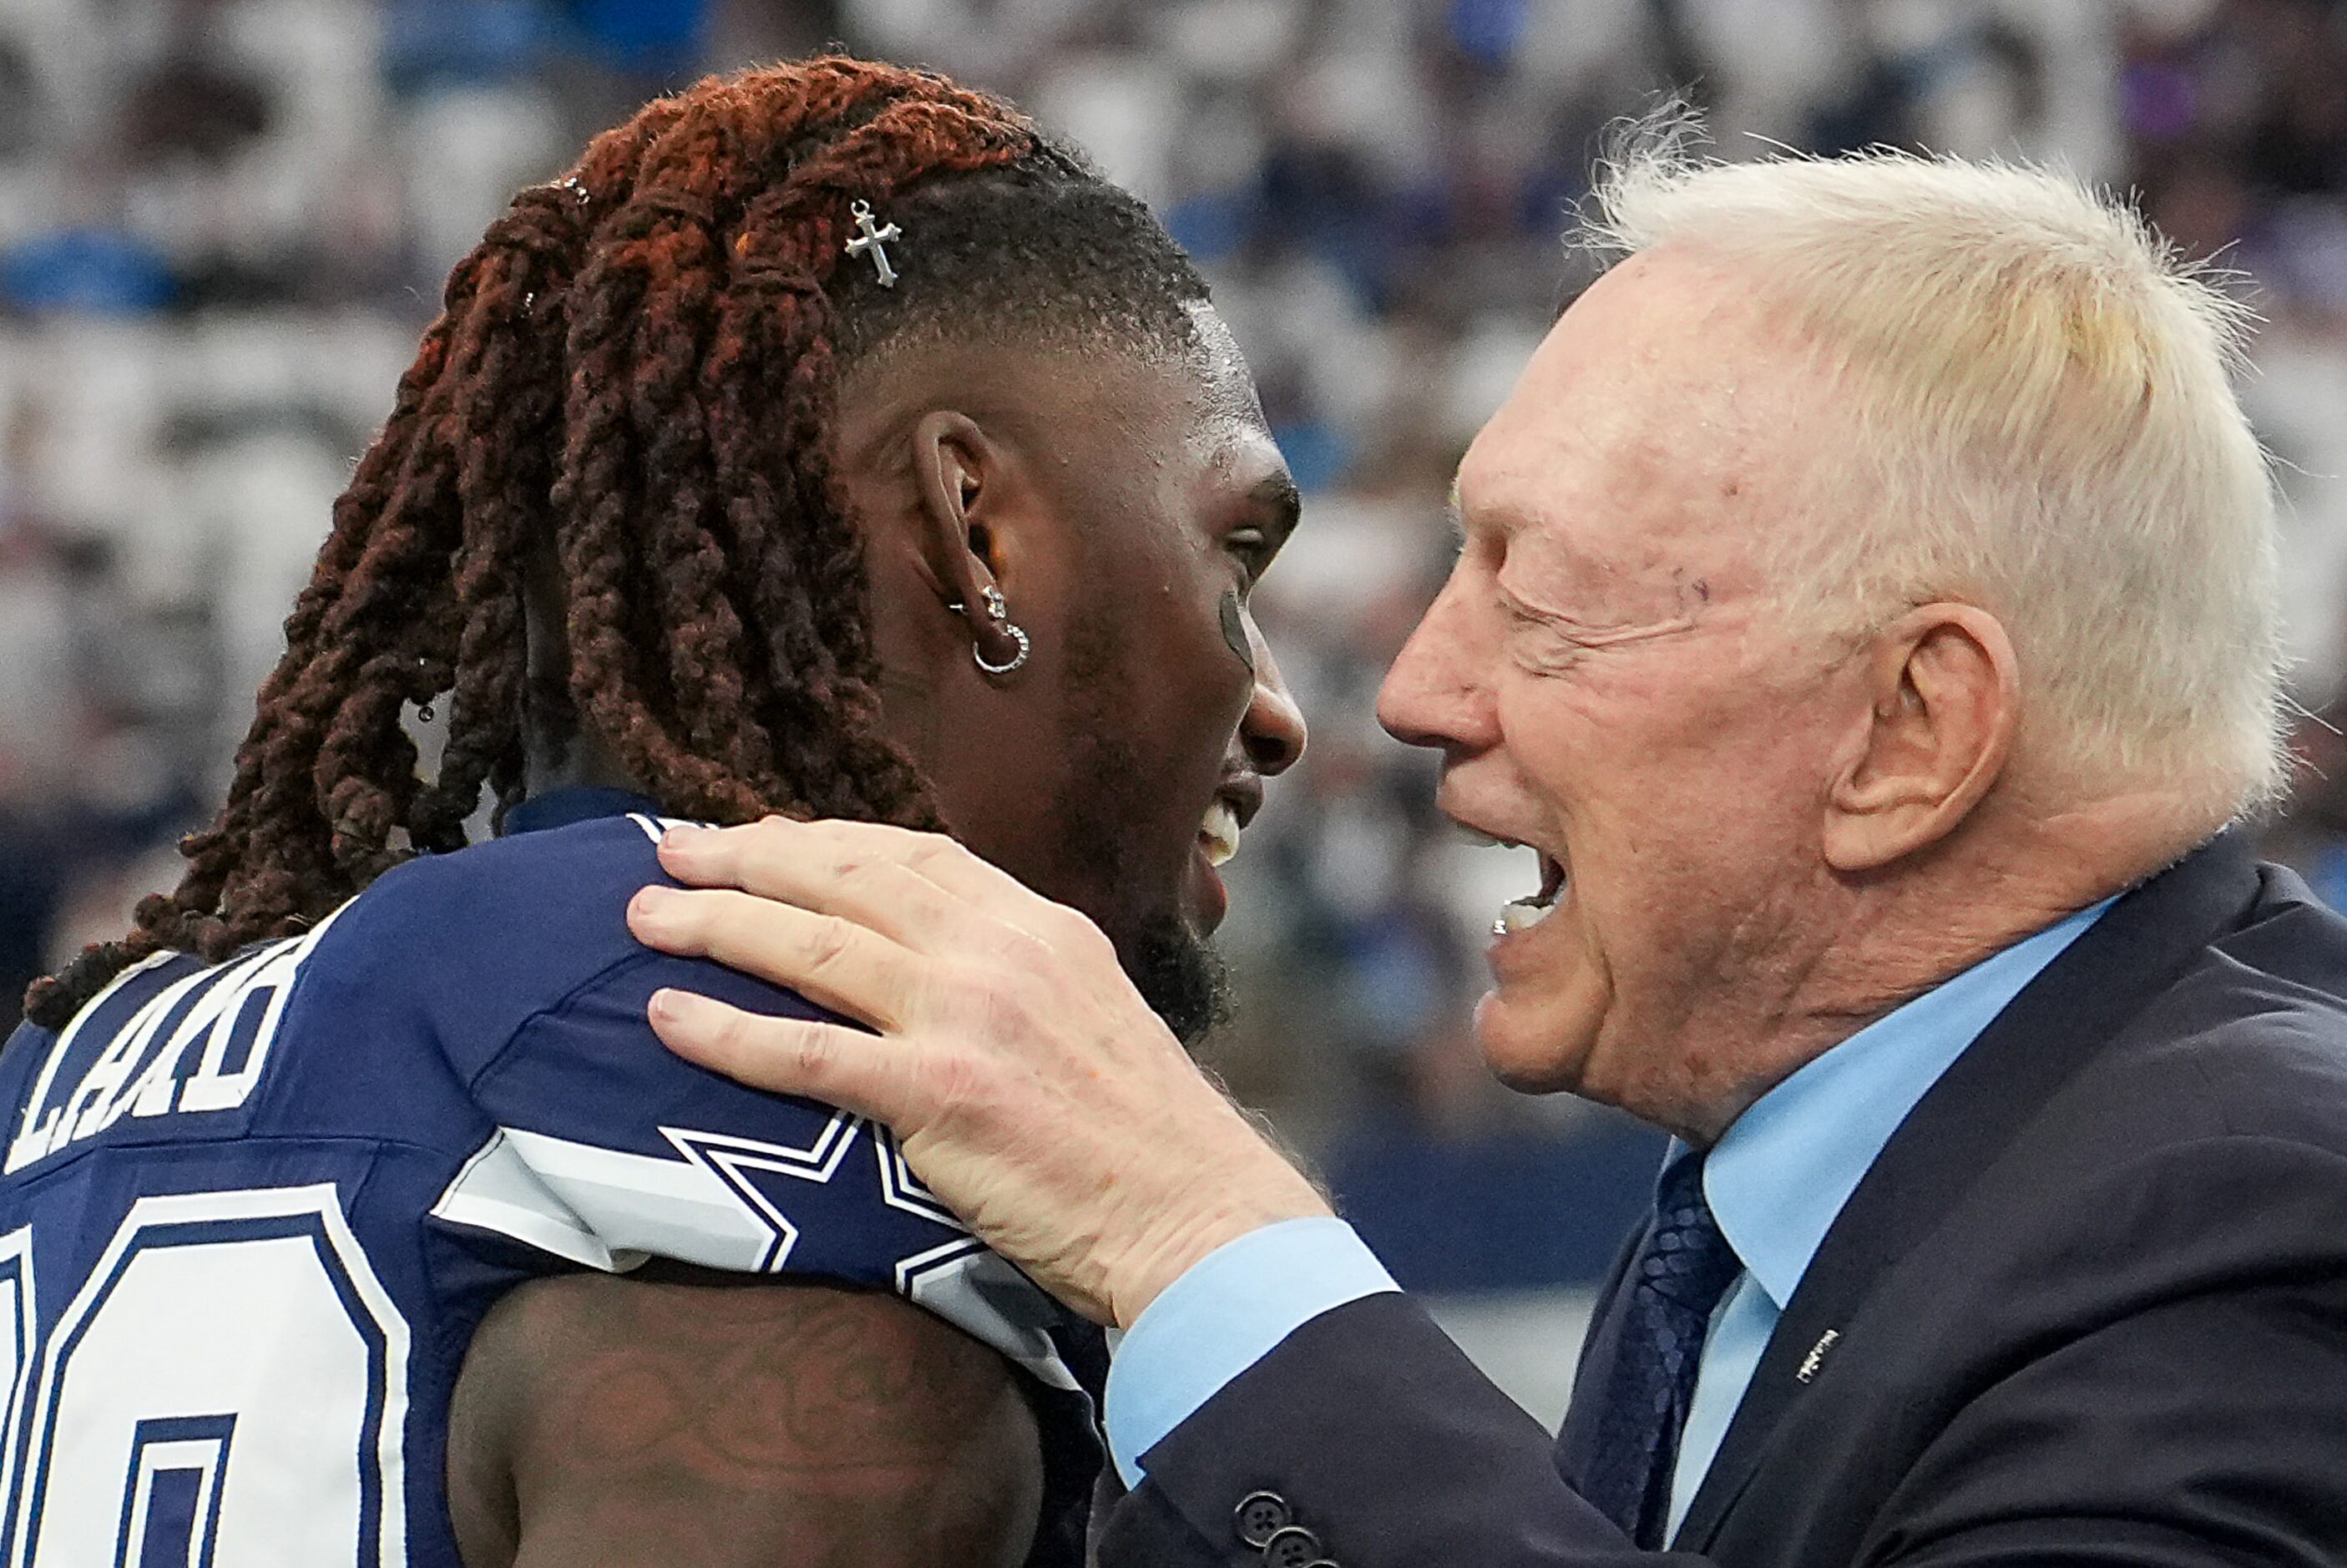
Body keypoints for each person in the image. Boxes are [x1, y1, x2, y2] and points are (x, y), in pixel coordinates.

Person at [625, 125, 2347, 1567]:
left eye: (1534, 601)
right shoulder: (1797, 1195)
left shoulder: (2261, 1222)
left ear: (1909, 731)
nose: (1420, 692)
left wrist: (1204, 1246)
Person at [0, 57, 1307, 1568]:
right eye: (1236, 557)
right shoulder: (778, 1064)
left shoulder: (79, 1056)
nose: (1276, 704)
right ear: (977, 528)